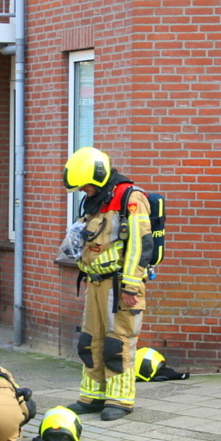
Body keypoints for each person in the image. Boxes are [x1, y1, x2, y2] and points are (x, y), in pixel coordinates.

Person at [62, 146, 153, 421]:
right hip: (95, 282)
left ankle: (120, 400)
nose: (83, 190)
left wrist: (131, 285)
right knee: (90, 340)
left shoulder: (131, 198)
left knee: (118, 343)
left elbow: (140, 245)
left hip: (120, 284)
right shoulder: (97, 199)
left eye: (86, 185)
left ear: (99, 177)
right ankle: (92, 396)